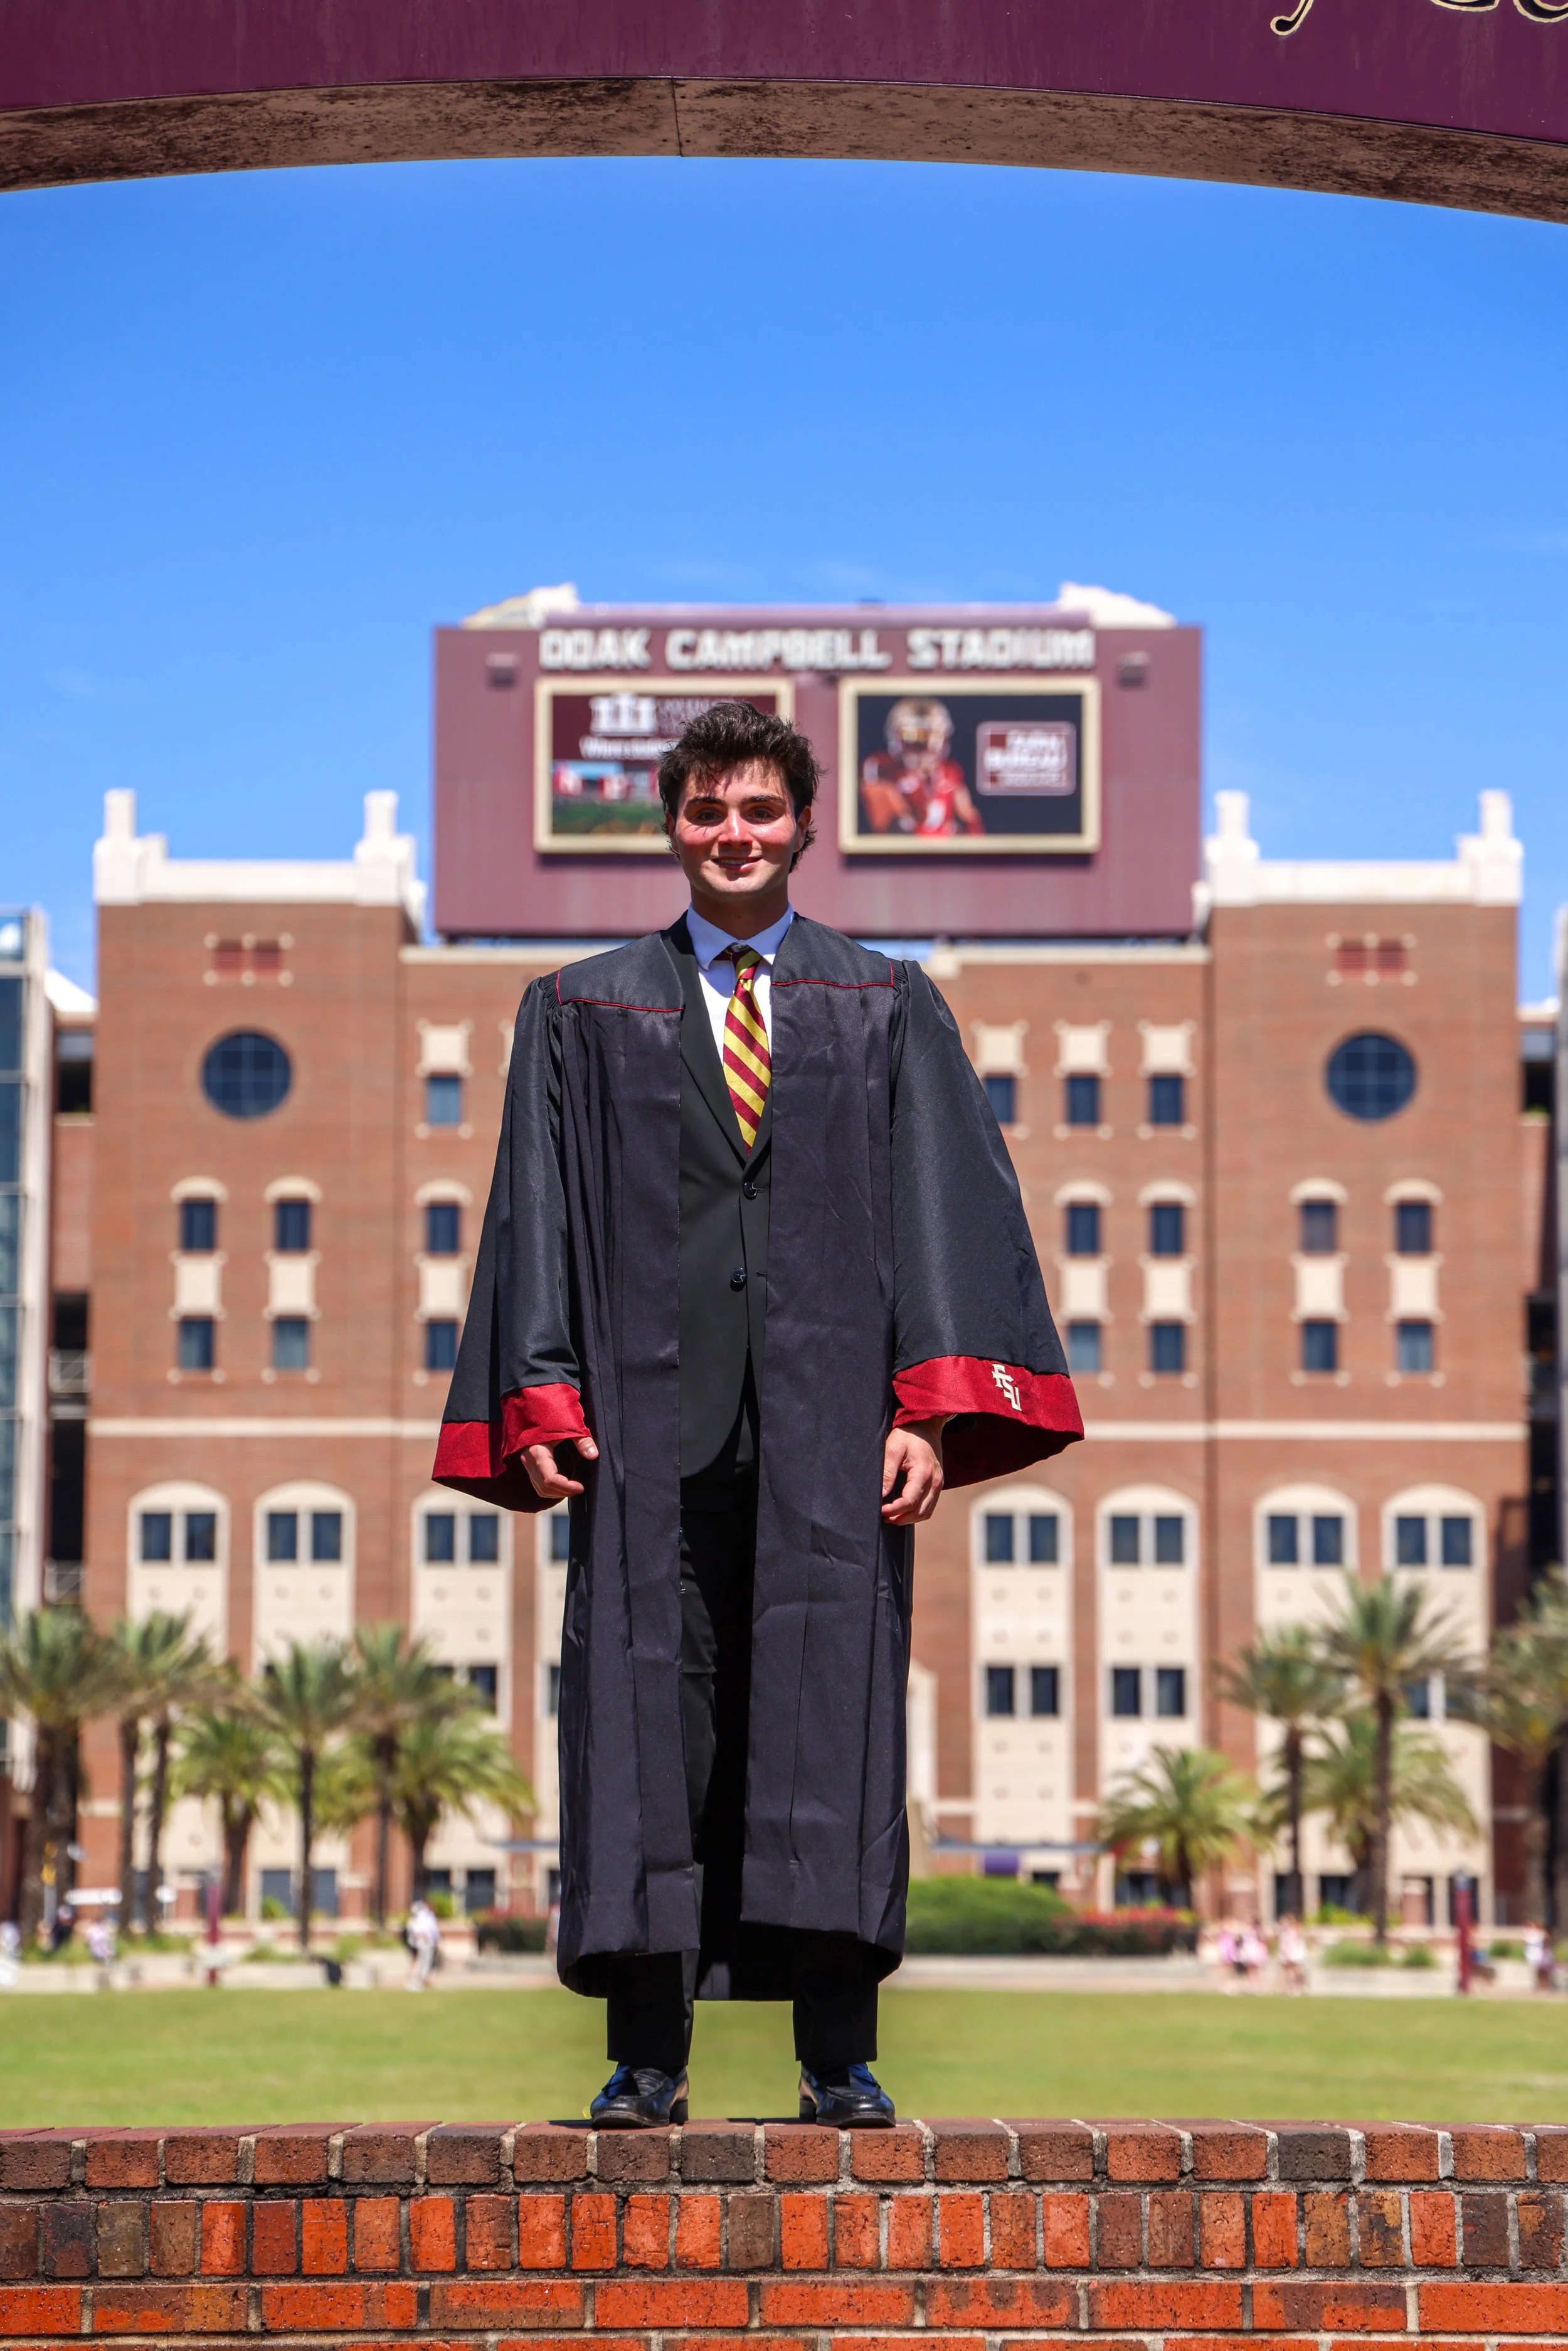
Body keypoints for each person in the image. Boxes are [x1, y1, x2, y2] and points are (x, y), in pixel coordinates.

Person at [435, 701, 1081, 2129]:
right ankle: (645, 2058)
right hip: (641, 1429)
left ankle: (835, 2056)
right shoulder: (580, 1007)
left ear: (803, 826)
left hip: (832, 1420)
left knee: (829, 1719)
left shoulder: (884, 1000)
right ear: (673, 825)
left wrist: (930, 1402)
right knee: (642, 1717)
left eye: (759, 811)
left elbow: (942, 1201)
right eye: (708, 811)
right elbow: (530, 1206)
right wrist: (540, 1385)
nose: (735, 834)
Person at [405, 1896, 440, 1990]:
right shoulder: (422, 1916)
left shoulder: (430, 1916)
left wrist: (436, 1941)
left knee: (427, 1962)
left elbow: (434, 1930)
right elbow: (417, 1929)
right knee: (422, 1962)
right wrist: (421, 1936)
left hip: (429, 1942)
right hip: (423, 1941)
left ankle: (423, 1981)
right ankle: (418, 1982)